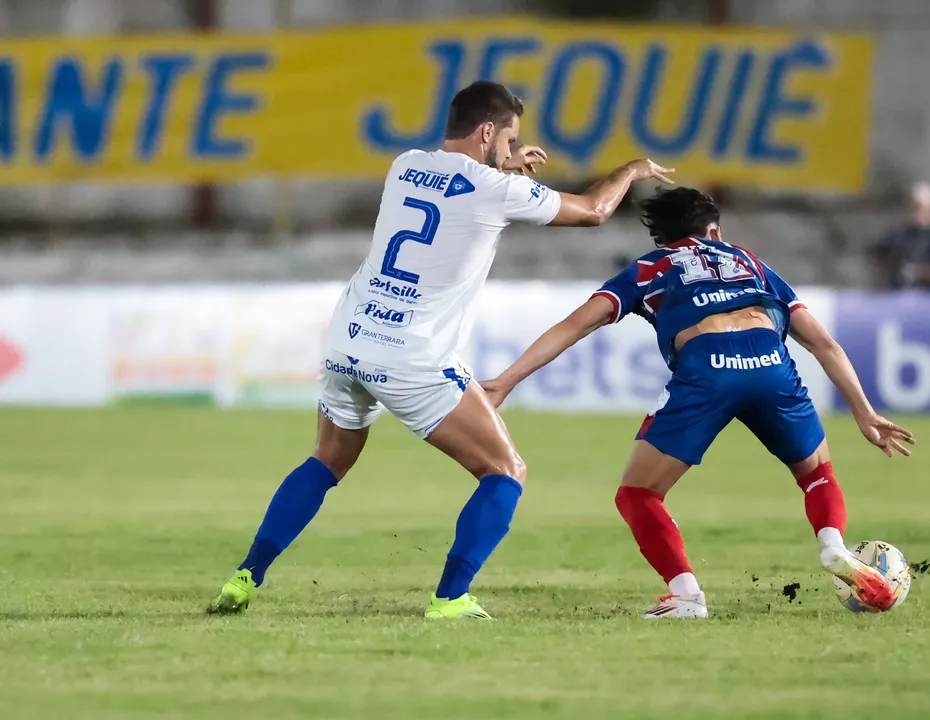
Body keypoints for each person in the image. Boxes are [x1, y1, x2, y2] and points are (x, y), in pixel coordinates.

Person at [206, 81, 674, 619]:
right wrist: (632, 169)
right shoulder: (495, 187)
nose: (511, 149)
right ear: (487, 132)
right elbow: (593, 210)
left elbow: (458, 194)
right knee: (505, 471)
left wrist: (500, 168)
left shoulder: (405, 164)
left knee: (327, 459)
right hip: (412, 355)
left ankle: (246, 577)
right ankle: (451, 599)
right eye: (509, 138)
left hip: (351, 336)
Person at [481, 187, 915, 619]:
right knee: (817, 474)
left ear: (664, 238)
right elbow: (824, 343)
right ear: (714, 230)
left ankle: (686, 595)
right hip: (770, 360)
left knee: (638, 494)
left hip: (708, 368)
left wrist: (508, 379)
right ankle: (833, 546)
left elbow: (574, 324)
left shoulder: (649, 268)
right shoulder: (747, 261)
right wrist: (864, 410)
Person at [871, 181, 930, 290]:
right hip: (900, 298)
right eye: (914, 207)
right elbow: (878, 256)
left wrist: (920, 274)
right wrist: (894, 266)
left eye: (921, 208)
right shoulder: (898, 234)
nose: (917, 212)